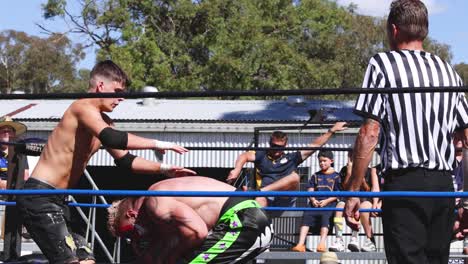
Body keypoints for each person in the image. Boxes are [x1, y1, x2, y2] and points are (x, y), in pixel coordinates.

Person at [16, 60, 196, 264]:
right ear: (101, 86)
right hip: (40, 196)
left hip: (59, 201)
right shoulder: (81, 107)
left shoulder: (104, 122)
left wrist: (164, 169)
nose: (120, 98)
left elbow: (125, 160)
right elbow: (112, 138)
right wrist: (156, 143)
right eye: (117, 90)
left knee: (86, 259)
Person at [344, 1, 468, 263]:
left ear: (394, 30)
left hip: (405, 184)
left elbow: (369, 133)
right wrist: (465, 201)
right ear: (425, 30)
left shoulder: (383, 64)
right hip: (444, 188)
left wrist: (354, 190)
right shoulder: (450, 72)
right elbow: (467, 138)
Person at [107, 176, 273, 264]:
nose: (135, 237)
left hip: (243, 221)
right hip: (247, 220)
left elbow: (197, 233)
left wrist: (169, 256)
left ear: (131, 214)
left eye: (129, 231)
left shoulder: (155, 202)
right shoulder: (158, 199)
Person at [227, 122, 347, 207]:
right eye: (274, 146)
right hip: (266, 197)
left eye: (280, 147)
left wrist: (331, 131)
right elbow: (245, 156)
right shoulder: (261, 155)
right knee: (259, 200)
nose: (277, 150)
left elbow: (314, 146)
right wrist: (237, 169)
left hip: (285, 197)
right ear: (270, 144)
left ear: (285, 146)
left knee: (295, 176)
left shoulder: (292, 157)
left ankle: (261, 191)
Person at [329, 150, 380, 252]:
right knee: (339, 207)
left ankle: (354, 238)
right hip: (348, 199)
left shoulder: (369, 171)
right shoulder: (344, 170)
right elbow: (344, 187)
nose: (353, 160)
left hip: (363, 199)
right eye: (350, 157)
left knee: (359, 208)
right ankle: (339, 239)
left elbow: (368, 189)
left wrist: (361, 178)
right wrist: (349, 172)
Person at [291, 150, 340, 252]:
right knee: (306, 217)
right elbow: (310, 190)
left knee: (325, 219)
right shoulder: (315, 176)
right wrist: (312, 199)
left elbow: (338, 193)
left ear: (331, 161)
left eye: (324, 161)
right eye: (320, 161)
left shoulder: (337, 176)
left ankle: (321, 243)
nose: (322, 163)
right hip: (314, 203)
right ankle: (300, 244)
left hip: (329, 204)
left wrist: (327, 201)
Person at [0, 115, 29, 189]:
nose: (6, 134)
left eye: (9, 131)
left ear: (14, 134)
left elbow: (25, 177)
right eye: (3, 131)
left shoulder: (21, 154)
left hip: (17, 195)